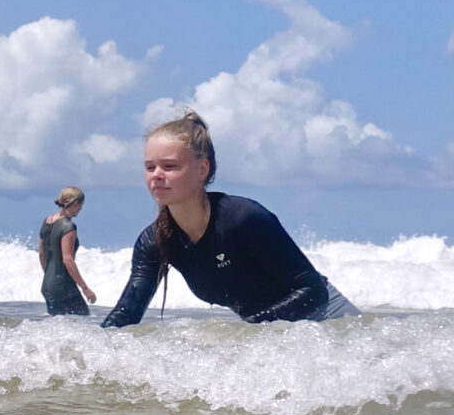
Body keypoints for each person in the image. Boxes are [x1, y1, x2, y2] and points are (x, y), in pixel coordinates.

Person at [101, 110, 358, 328]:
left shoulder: (243, 218)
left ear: (202, 169)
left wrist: (246, 334)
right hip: (271, 337)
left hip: (328, 322)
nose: (157, 175)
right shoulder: (155, 241)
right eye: (149, 167)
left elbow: (312, 291)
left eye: (169, 166)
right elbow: (126, 315)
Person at [37, 186, 97, 316]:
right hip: (64, 286)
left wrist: (49, 276)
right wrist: (85, 288)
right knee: (83, 322)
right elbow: (68, 260)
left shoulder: (46, 221)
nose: (81, 209)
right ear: (76, 203)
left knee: (58, 326)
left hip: (48, 285)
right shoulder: (68, 227)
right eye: (81, 205)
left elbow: (41, 254)